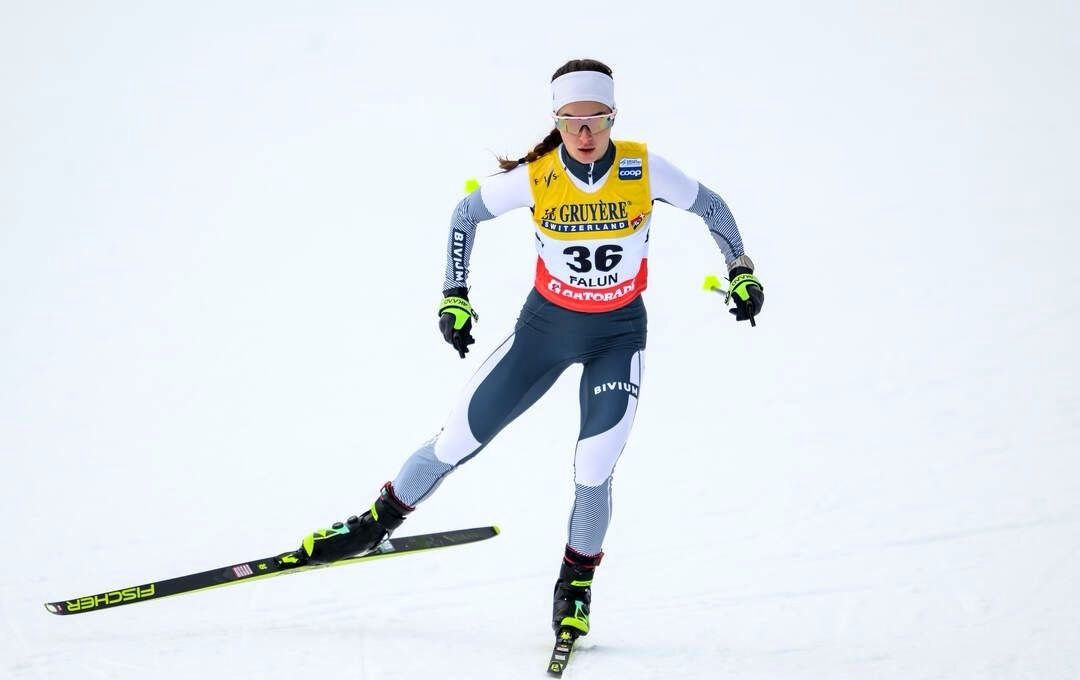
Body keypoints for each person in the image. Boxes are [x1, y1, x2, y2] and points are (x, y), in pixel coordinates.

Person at [294, 58, 764, 637]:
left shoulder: (643, 168)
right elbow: (465, 214)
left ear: (613, 117)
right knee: (456, 440)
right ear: (556, 120)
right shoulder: (537, 176)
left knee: (594, 464)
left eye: (596, 120)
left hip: (617, 337)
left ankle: (576, 585)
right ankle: (373, 525)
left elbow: (712, 207)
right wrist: (455, 295)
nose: (584, 134)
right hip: (544, 333)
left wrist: (741, 269)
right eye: (571, 121)